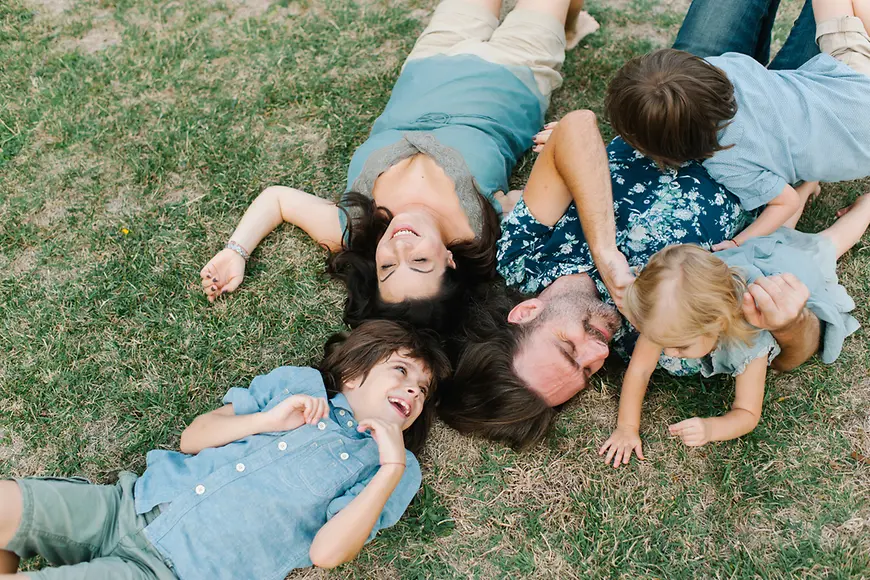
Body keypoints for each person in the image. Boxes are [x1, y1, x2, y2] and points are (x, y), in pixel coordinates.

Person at [438, 0, 837, 449]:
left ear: (526, 313)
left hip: (681, 101)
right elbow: (781, 355)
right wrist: (789, 323)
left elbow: (577, 127)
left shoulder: (521, 261)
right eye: (588, 371)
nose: (599, 352)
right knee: (835, 24)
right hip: (775, 146)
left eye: (570, 350)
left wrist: (605, 254)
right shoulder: (659, 332)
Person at [199, 0, 599, 332]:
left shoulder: (354, 227)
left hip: (435, 57)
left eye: (388, 265)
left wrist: (236, 250)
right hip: (519, 72)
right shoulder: (484, 228)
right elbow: (553, 191)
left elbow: (279, 200)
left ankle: (568, 24)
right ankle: (565, 23)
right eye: (420, 261)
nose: (400, 246)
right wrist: (556, 148)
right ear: (449, 261)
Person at [0, 320, 450, 578]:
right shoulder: (296, 385)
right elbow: (192, 438)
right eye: (401, 372)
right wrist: (267, 420)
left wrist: (389, 465)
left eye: (422, 391)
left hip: (173, 573)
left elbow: (327, 554)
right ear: (354, 373)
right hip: (126, 505)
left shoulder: (393, 469)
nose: (412, 392)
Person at [600, 194, 869, 467]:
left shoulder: (749, 343)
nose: (668, 352)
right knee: (780, 234)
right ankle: (806, 186)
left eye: (681, 346)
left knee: (828, 244)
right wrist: (626, 427)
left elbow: (747, 413)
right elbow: (640, 370)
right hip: (758, 255)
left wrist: (711, 429)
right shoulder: (666, 316)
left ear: (717, 324)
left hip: (794, 272)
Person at [604, 0, 870, 249]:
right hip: (851, 83)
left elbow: (785, 202)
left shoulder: (726, 161)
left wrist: (738, 243)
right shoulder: (725, 66)